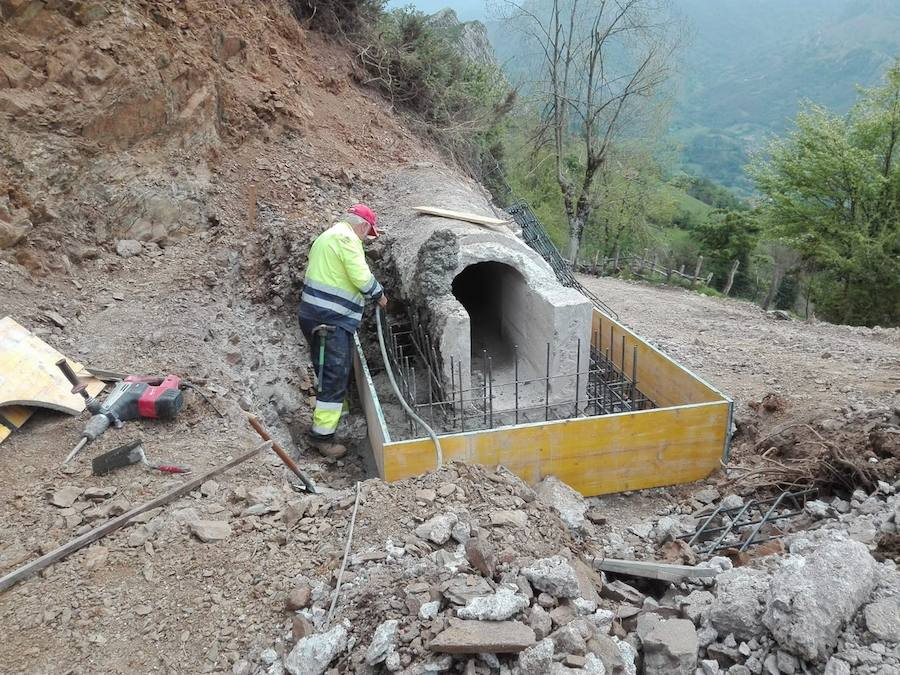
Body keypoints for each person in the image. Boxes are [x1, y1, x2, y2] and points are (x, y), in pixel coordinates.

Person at [297, 204, 387, 458]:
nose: (365, 240)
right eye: (367, 234)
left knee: (331, 369)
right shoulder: (347, 239)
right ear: (363, 226)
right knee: (334, 375)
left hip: (316, 315)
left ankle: (340, 413)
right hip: (330, 320)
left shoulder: (327, 236)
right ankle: (323, 438)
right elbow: (361, 277)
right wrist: (380, 297)